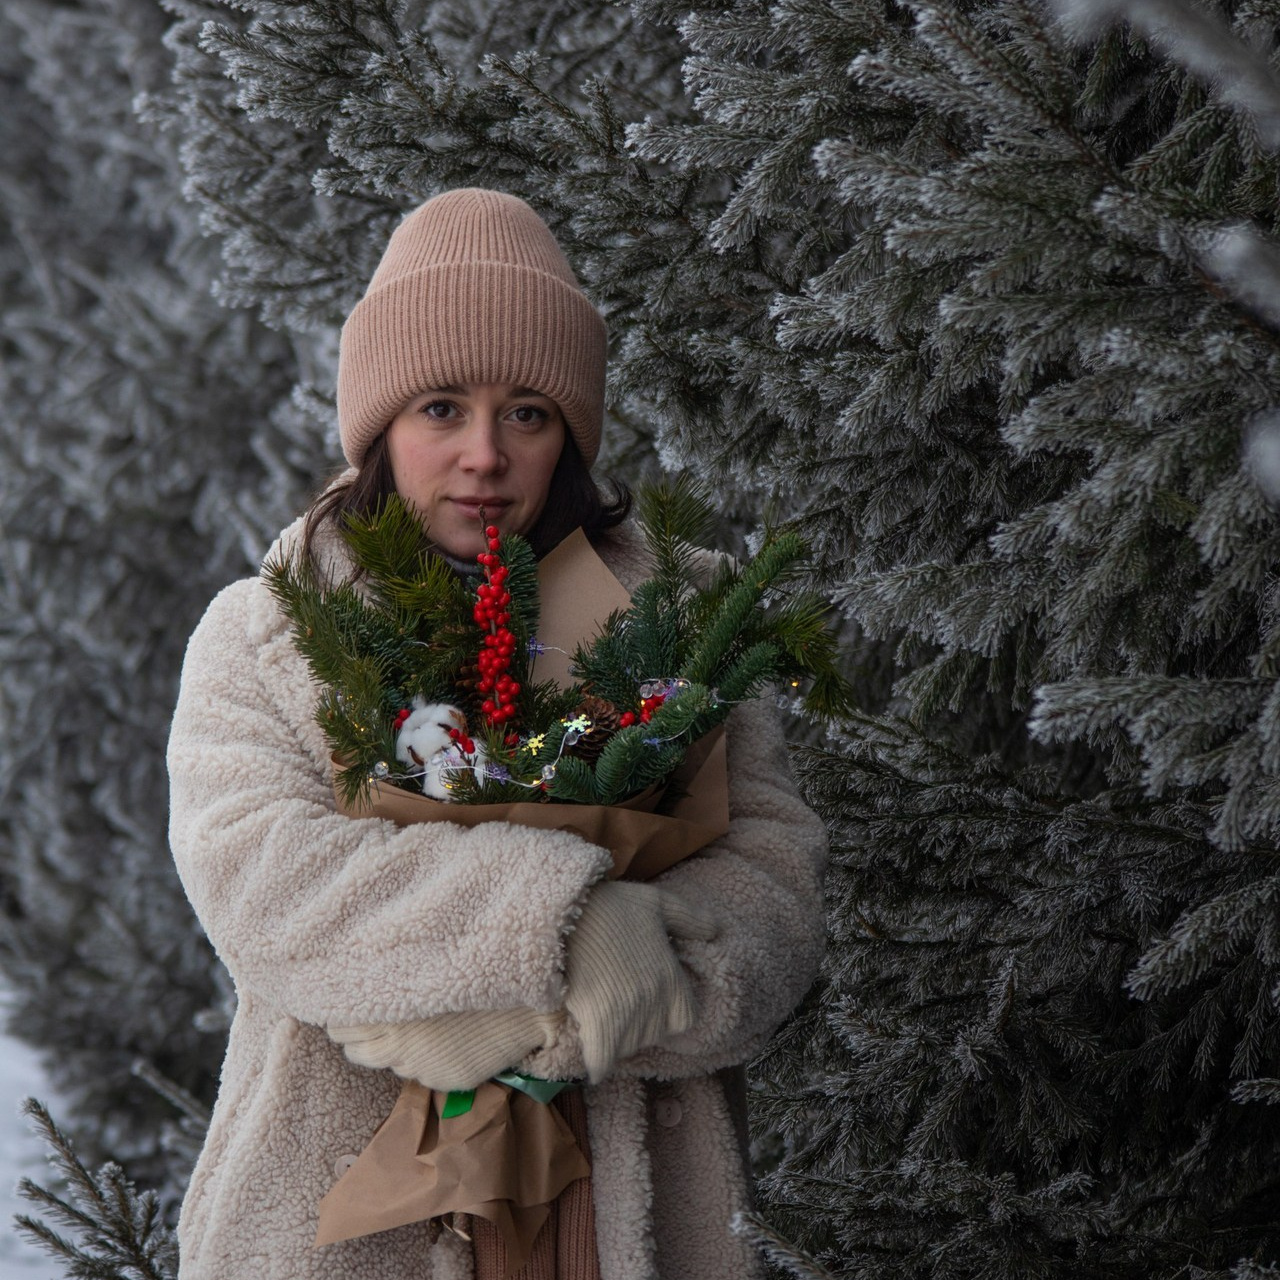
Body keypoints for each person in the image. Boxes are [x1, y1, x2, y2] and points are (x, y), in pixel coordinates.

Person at [167, 187, 829, 1280]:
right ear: (380, 427)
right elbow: (267, 885)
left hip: (630, 1213)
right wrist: (571, 931)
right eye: (441, 408)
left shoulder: (686, 626)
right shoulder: (267, 632)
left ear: (568, 434)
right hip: (342, 1224)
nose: (484, 453)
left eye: (526, 412)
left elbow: (778, 893)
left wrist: (563, 1002)